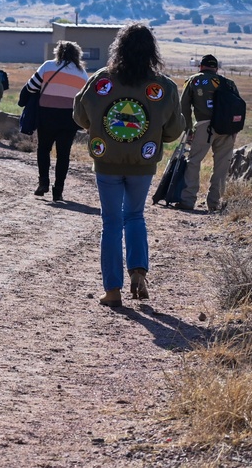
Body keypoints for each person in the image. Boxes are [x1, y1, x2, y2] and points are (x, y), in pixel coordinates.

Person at [73, 23, 184, 307]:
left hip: (107, 160)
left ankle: (112, 291)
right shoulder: (165, 86)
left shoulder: (100, 81)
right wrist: (154, 135)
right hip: (142, 163)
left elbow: (79, 114)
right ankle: (139, 272)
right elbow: (174, 131)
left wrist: (97, 126)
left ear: (118, 48)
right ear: (151, 51)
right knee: (135, 216)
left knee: (111, 222)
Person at [25, 41, 90, 201]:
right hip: (69, 118)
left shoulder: (48, 66)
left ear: (58, 52)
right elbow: (86, 99)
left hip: (46, 115)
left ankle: (43, 183)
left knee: (43, 149)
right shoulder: (82, 74)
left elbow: (31, 87)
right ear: (77, 55)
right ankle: (58, 190)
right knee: (63, 155)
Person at [178, 54, 239, 211]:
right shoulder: (229, 83)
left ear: (201, 67)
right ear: (216, 68)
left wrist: (188, 129)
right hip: (227, 129)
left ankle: (188, 200)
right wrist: (234, 130)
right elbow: (237, 108)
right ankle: (214, 203)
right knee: (221, 167)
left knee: (194, 162)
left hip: (204, 125)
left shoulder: (194, 80)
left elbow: (184, 107)